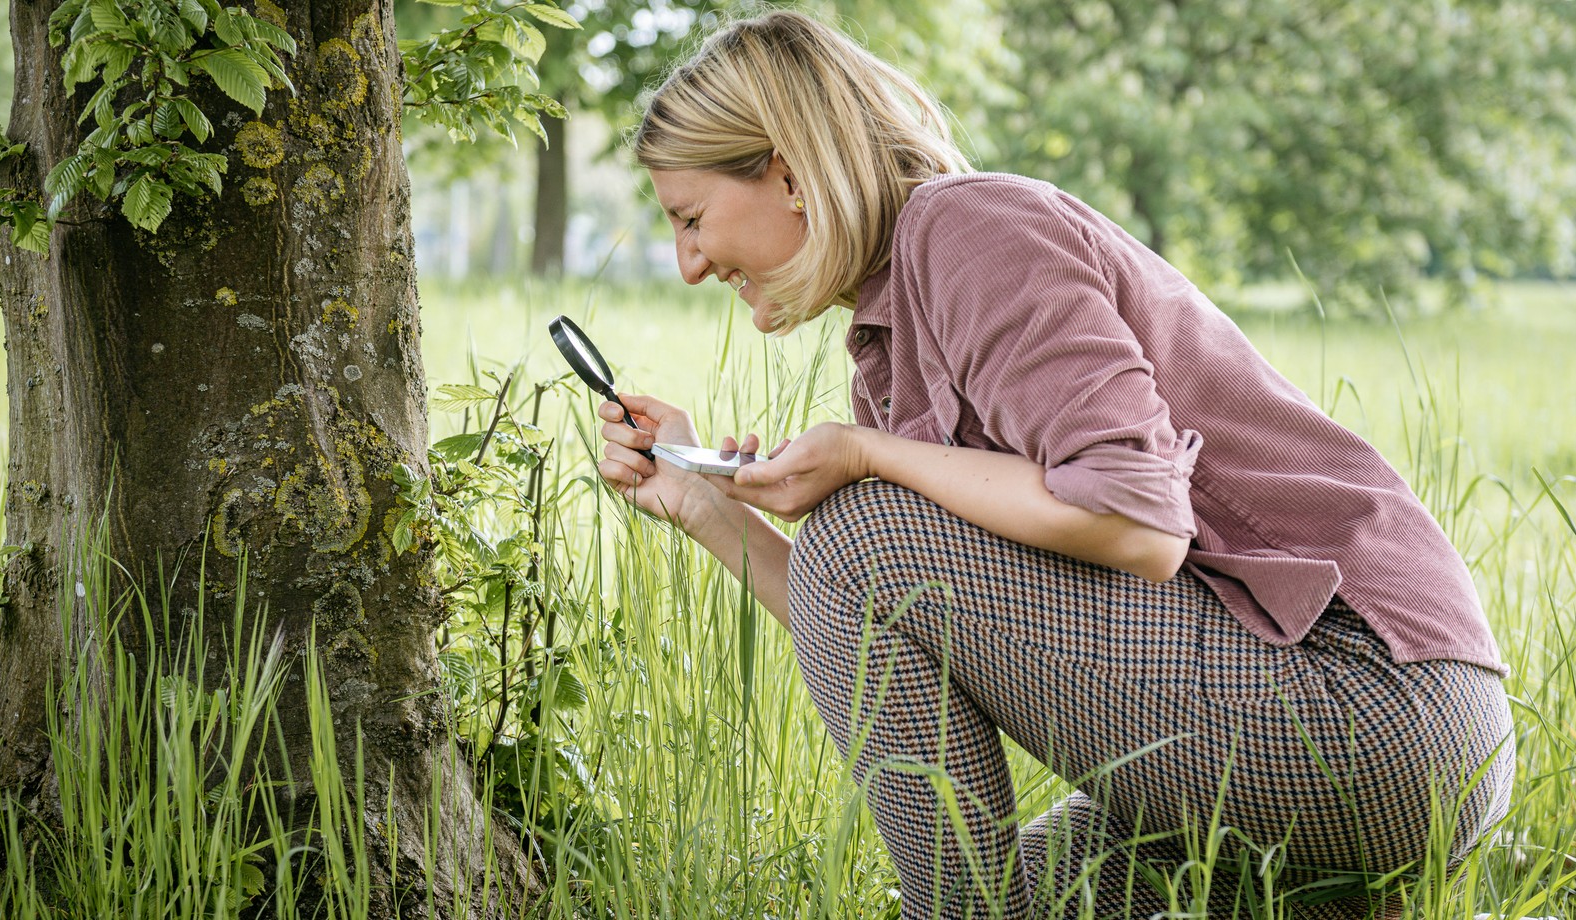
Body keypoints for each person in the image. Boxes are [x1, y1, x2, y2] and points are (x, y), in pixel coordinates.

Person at [592, 10, 1514, 919]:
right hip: (1324, 742)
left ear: (788, 175)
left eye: (691, 218)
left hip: (1371, 705)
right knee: (1029, 894)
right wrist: (700, 504)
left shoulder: (969, 229)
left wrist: (867, 455)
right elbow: (860, 624)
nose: (690, 263)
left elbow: (1141, 523)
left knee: (864, 544)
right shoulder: (890, 330)